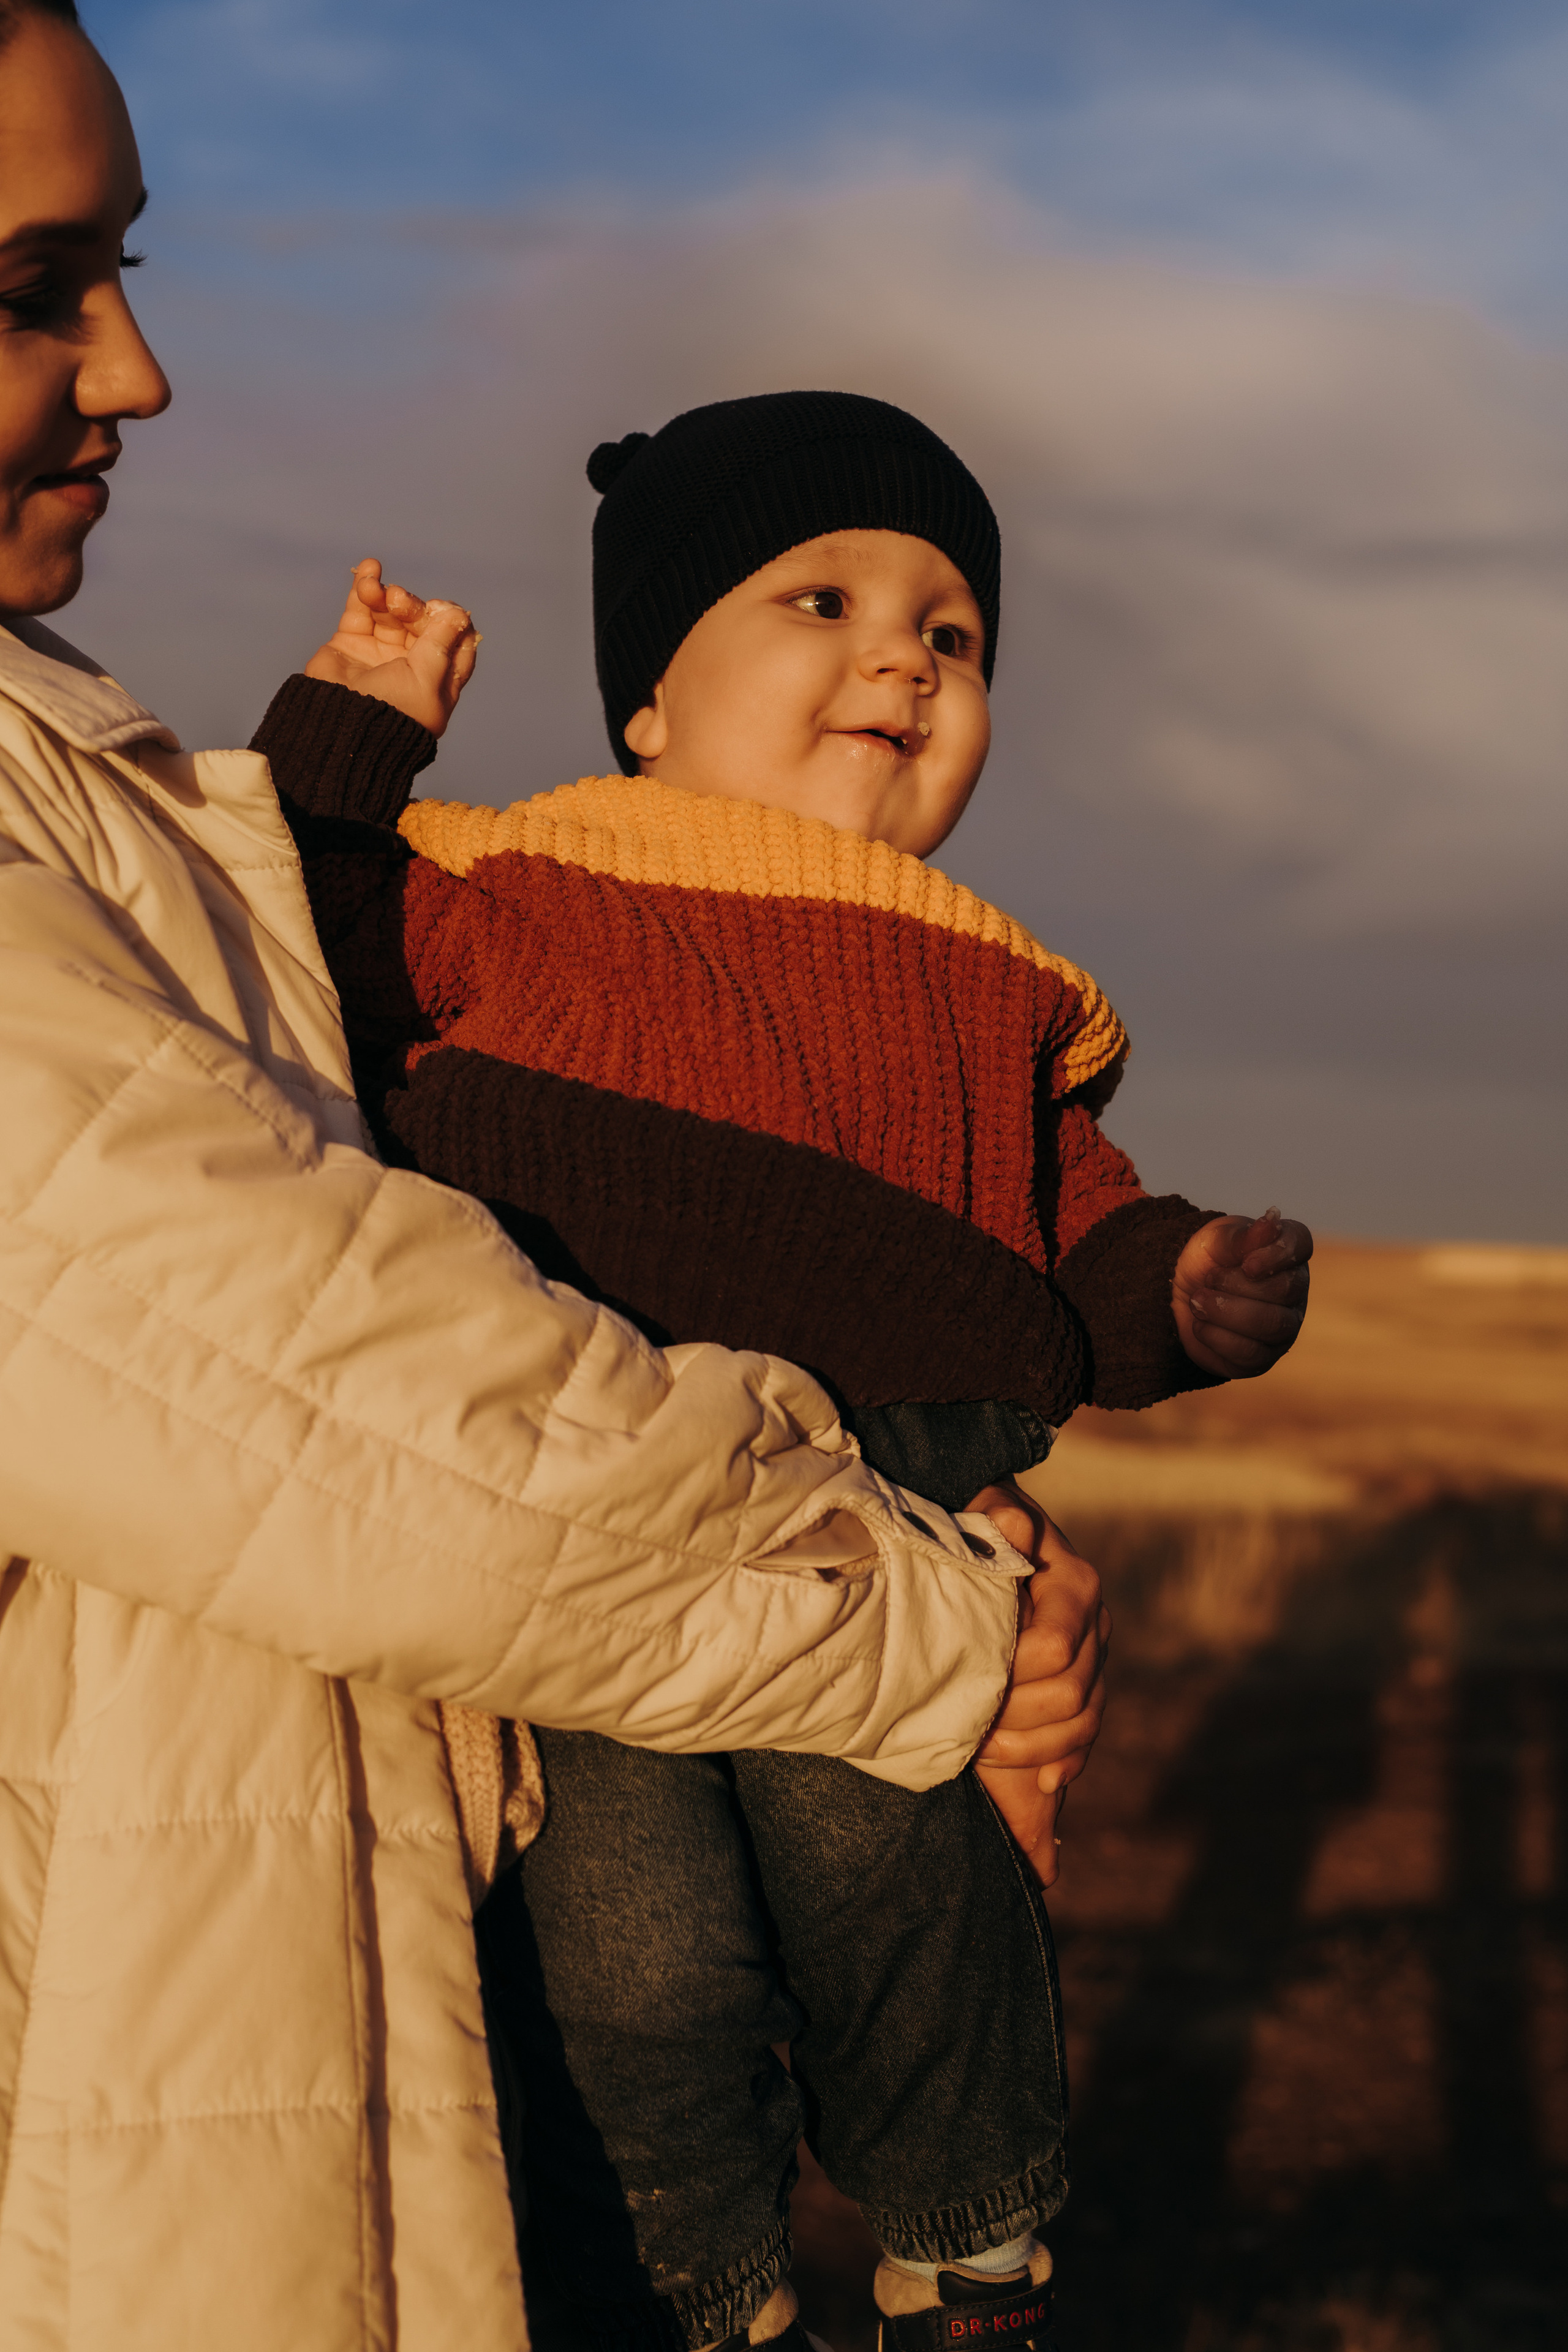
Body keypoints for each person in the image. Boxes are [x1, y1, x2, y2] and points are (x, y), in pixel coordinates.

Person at [0, 13, 1113, 2348]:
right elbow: (356, 1413)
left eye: (123, 270)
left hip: (328, 1996)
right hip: (134, 2123)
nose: (141, 368)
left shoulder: (62, 761)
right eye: (34, 286)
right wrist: (929, 1616)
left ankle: (937, 2230)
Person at [266, 392, 1313, 2352]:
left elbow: (1073, 1236)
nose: (903, 658)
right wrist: (361, 718)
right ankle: (695, 2287)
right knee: (632, 1952)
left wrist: (1188, 1287)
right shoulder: (524, 882)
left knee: (917, 1886)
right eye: (824, 599)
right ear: (648, 699)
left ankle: (967, 2232)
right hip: (600, 1510)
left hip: (896, 1519)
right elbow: (300, 928)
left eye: (954, 635)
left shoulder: (993, 982)